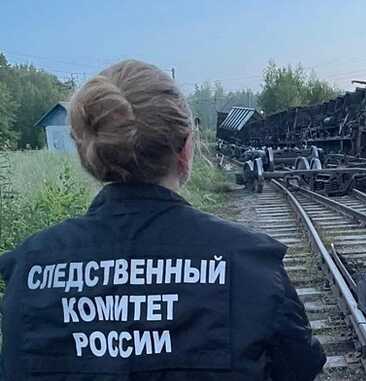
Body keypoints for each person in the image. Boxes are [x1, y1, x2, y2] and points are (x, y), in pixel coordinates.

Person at [0, 60, 326, 380]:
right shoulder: (250, 262)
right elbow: (299, 367)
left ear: (89, 154)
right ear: (185, 149)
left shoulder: (28, 271)